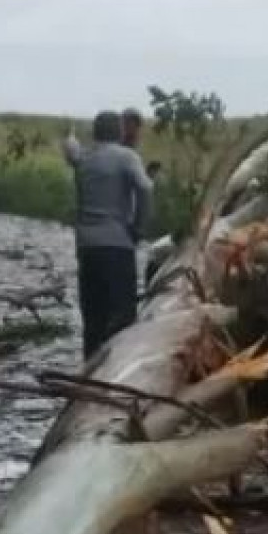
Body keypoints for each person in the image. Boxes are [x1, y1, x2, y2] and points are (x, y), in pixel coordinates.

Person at [68, 110, 153, 359]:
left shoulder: (84, 158)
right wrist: (139, 227)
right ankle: (117, 376)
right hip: (117, 244)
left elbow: (71, 150)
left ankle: (88, 377)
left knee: (93, 319)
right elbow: (146, 187)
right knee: (122, 318)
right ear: (118, 132)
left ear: (95, 133)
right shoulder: (126, 157)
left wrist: (70, 136)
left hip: (86, 246)